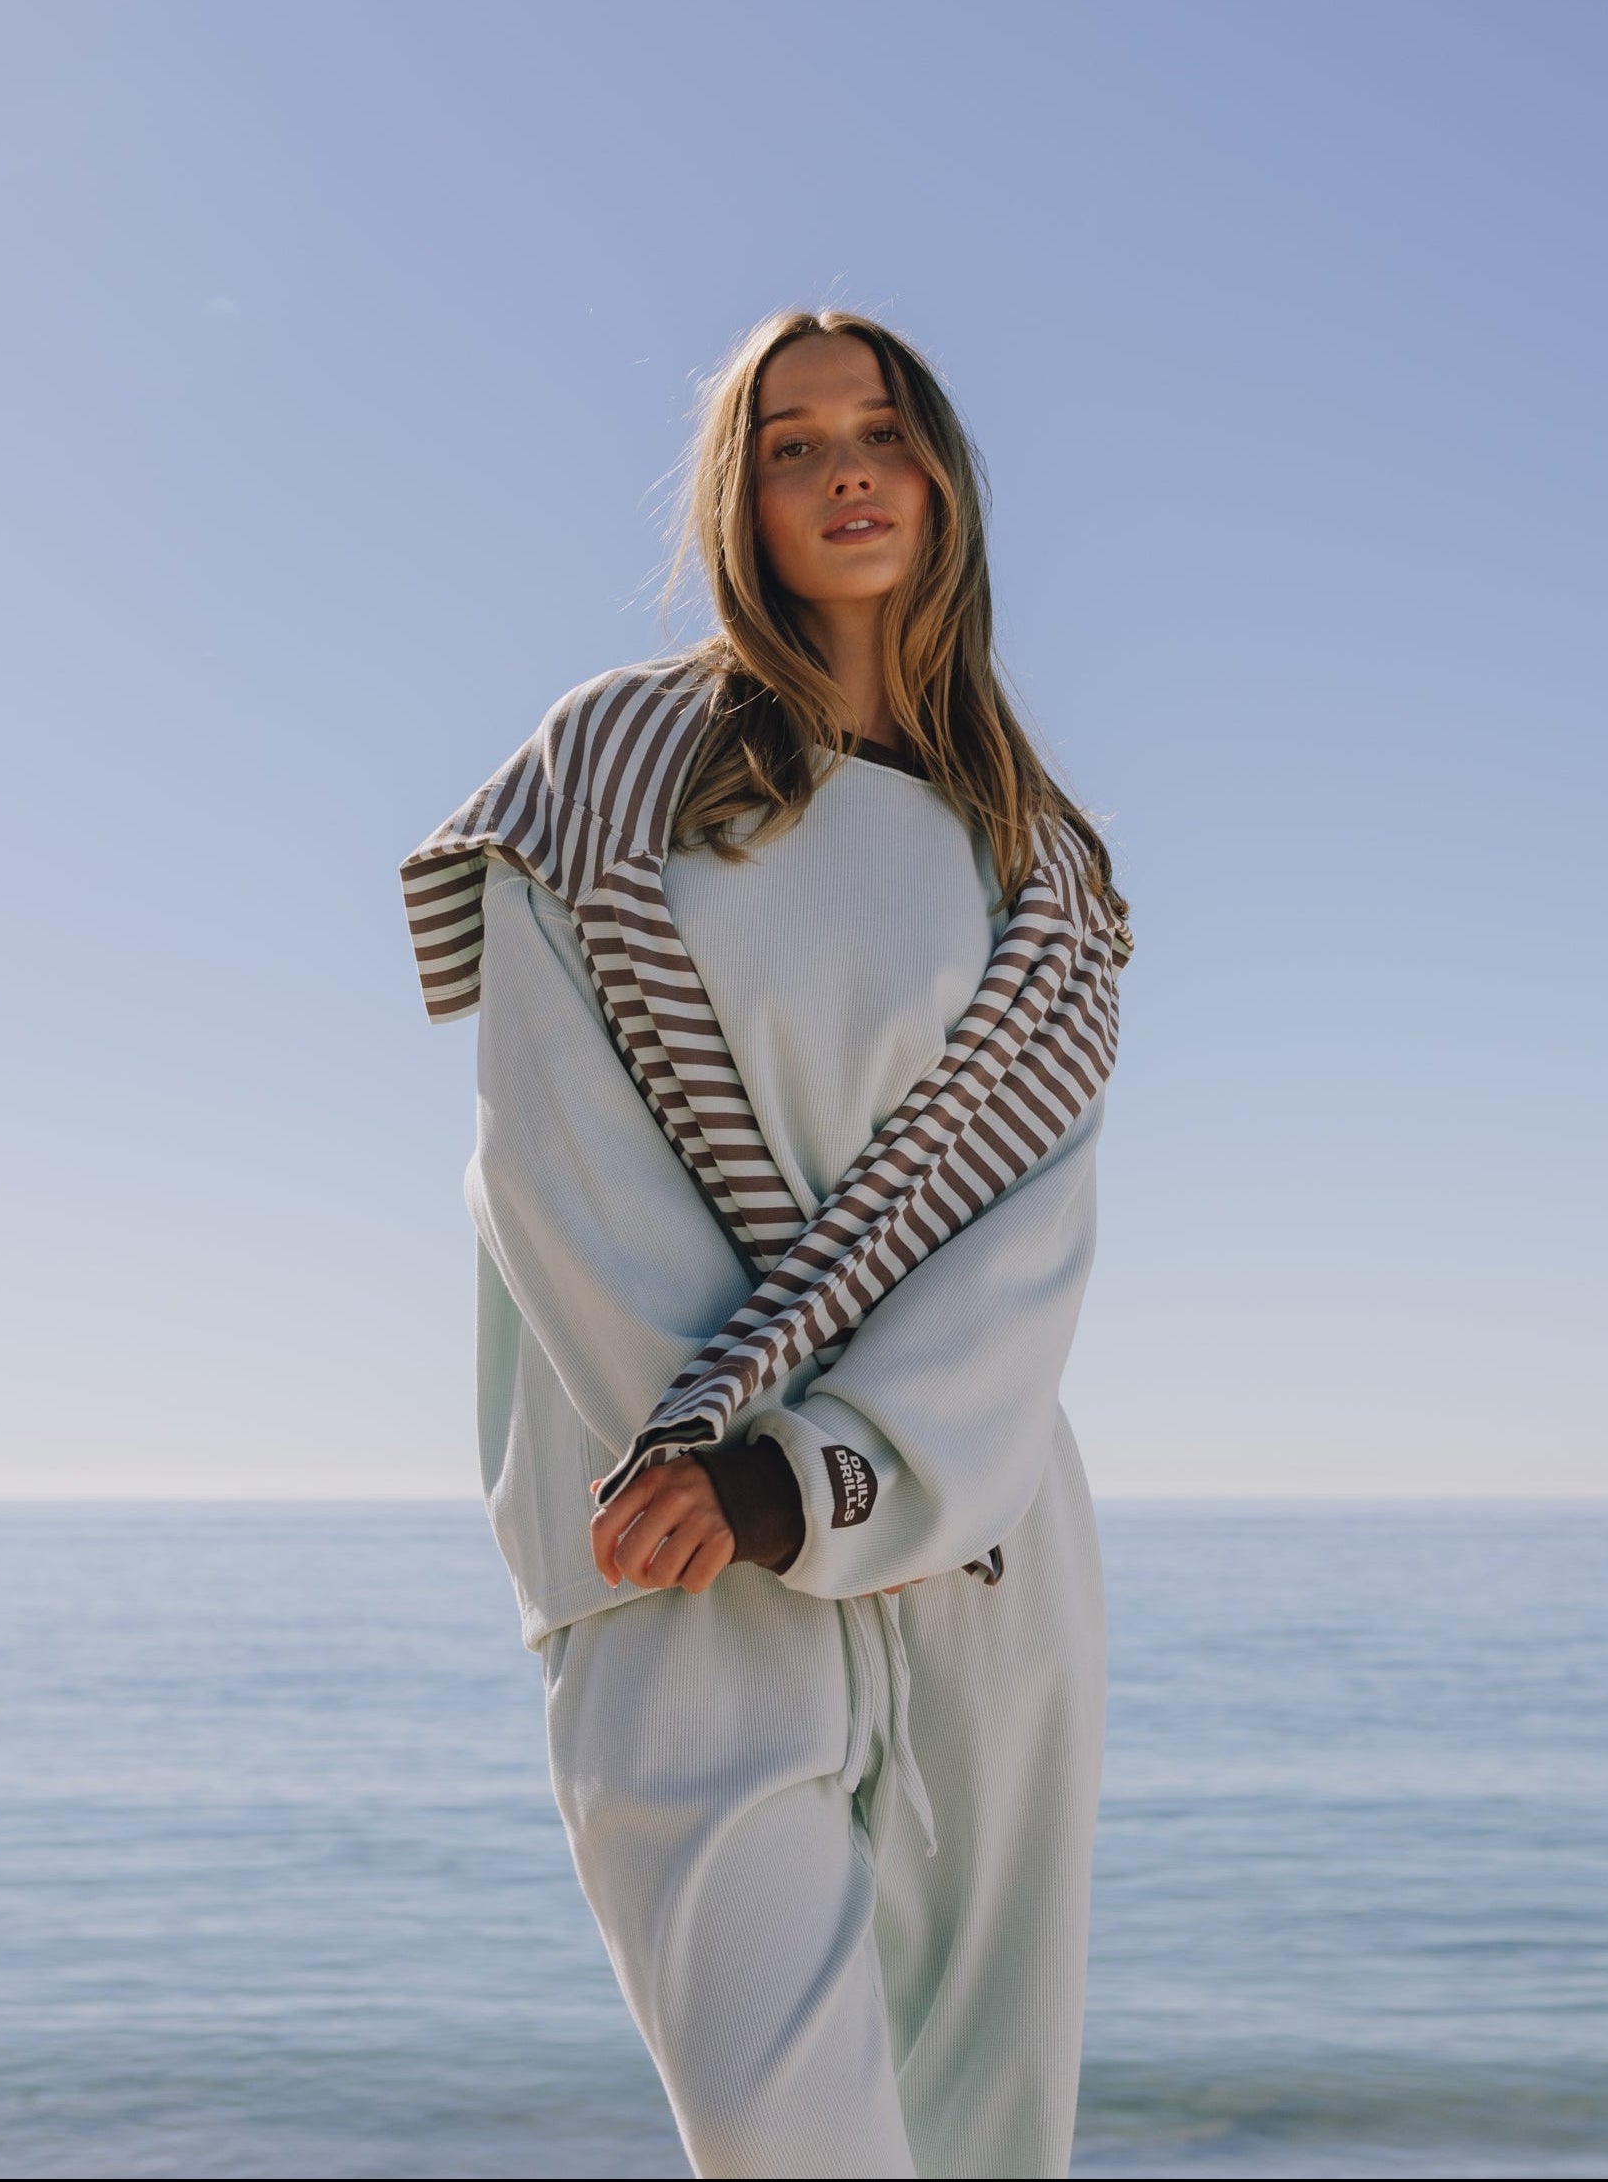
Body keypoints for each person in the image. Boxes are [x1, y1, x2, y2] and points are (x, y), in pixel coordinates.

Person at [398, 310, 1131, 2179]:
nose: (846, 471)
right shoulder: (614, 771)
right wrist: (724, 1466)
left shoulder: (1044, 861)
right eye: (793, 444)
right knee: (777, 2126)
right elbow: (548, 1160)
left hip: (967, 1530)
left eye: (881, 431)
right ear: (741, 496)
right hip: (664, 1526)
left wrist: (832, 1472)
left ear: (943, 476)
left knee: (984, 2137)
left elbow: (1031, 1236)